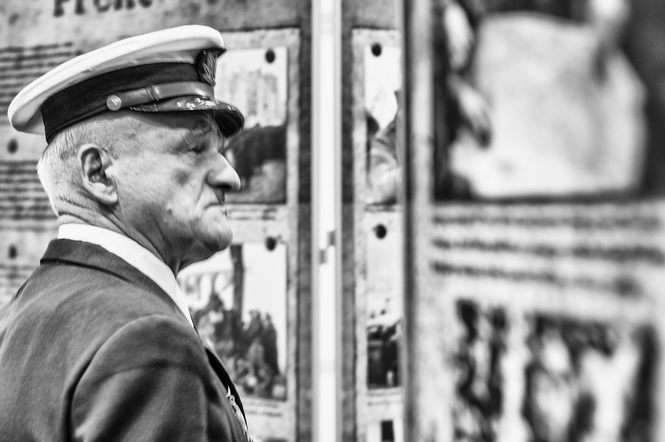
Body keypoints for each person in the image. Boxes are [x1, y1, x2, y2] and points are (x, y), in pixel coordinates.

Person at [0, 25, 254, 441]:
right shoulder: (147, 338)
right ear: (99, 173)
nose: (230, 177)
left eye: (219, 152)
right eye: (194, 149)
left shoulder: (26, 311)